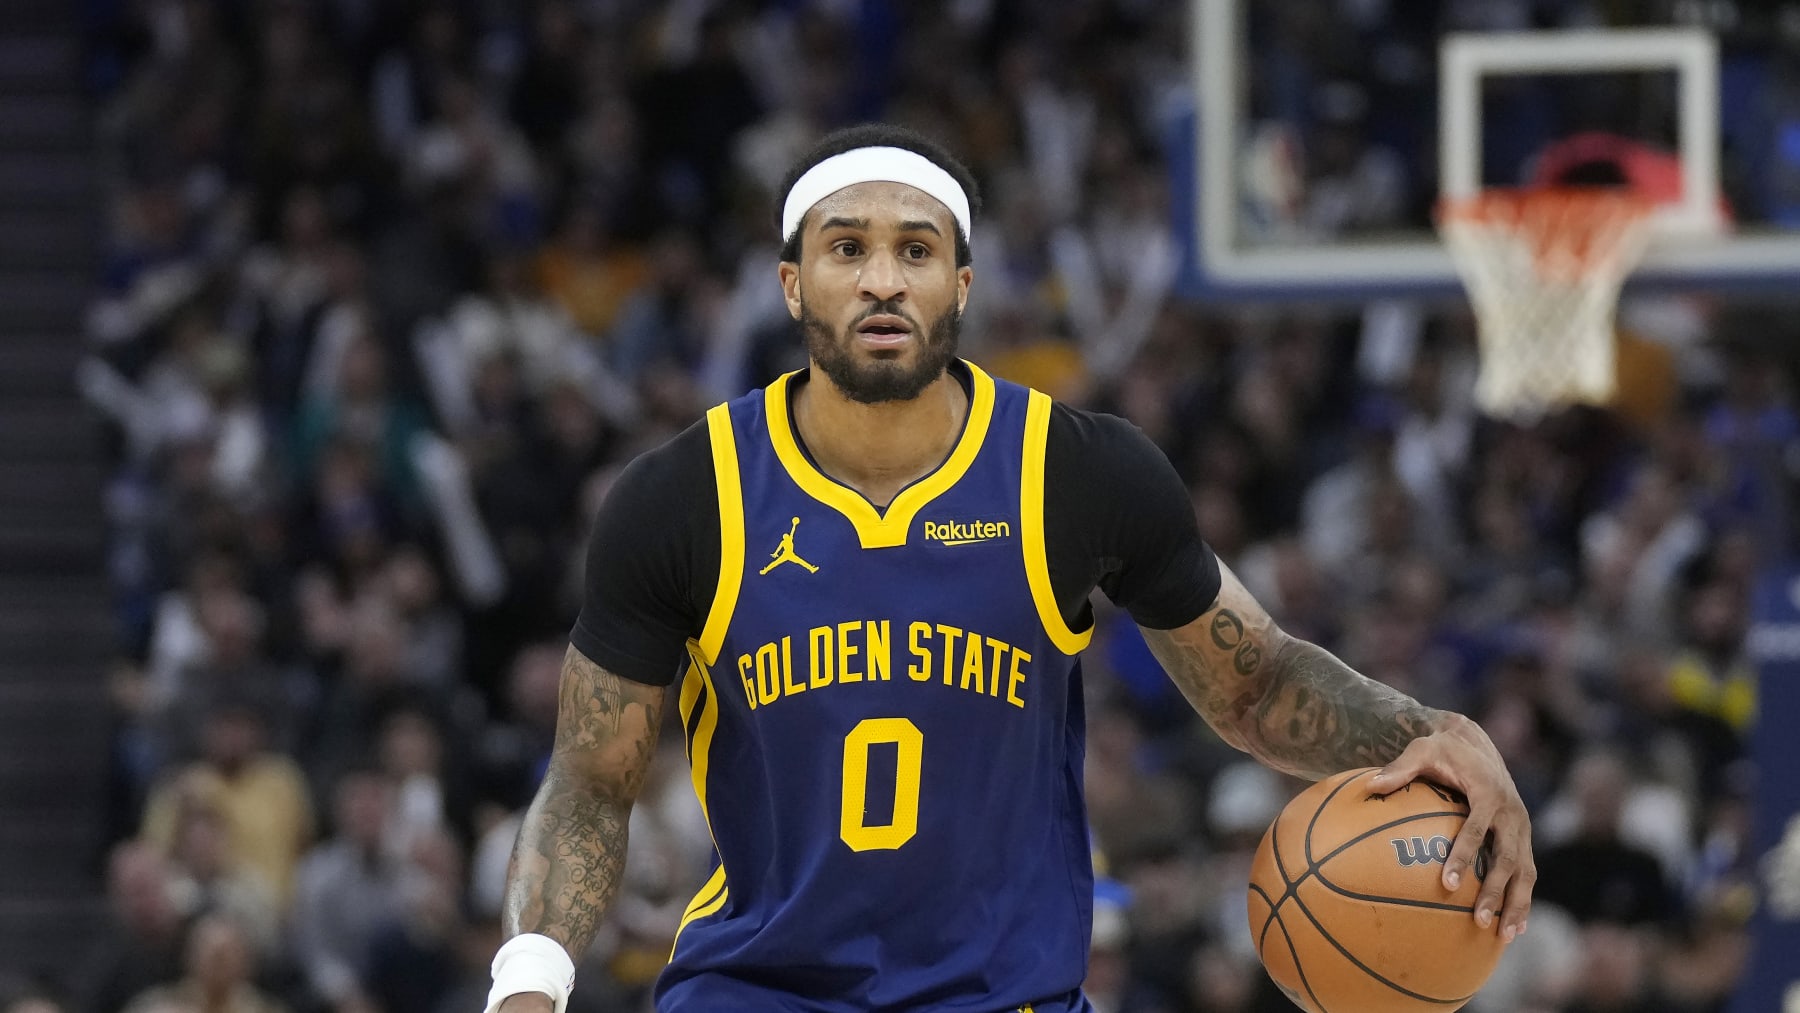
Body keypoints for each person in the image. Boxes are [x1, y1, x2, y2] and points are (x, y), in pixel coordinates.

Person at [487, 124, 1536, 1013]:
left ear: (964, 281)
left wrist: (1435, 737)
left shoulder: (1076, 472)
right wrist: (529, 979)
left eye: (917, 248)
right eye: (847, 248)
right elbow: (591, 781)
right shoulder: (686, 497)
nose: (884, 279)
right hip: (758, 987)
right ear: (792, 282)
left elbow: (1255, 685)